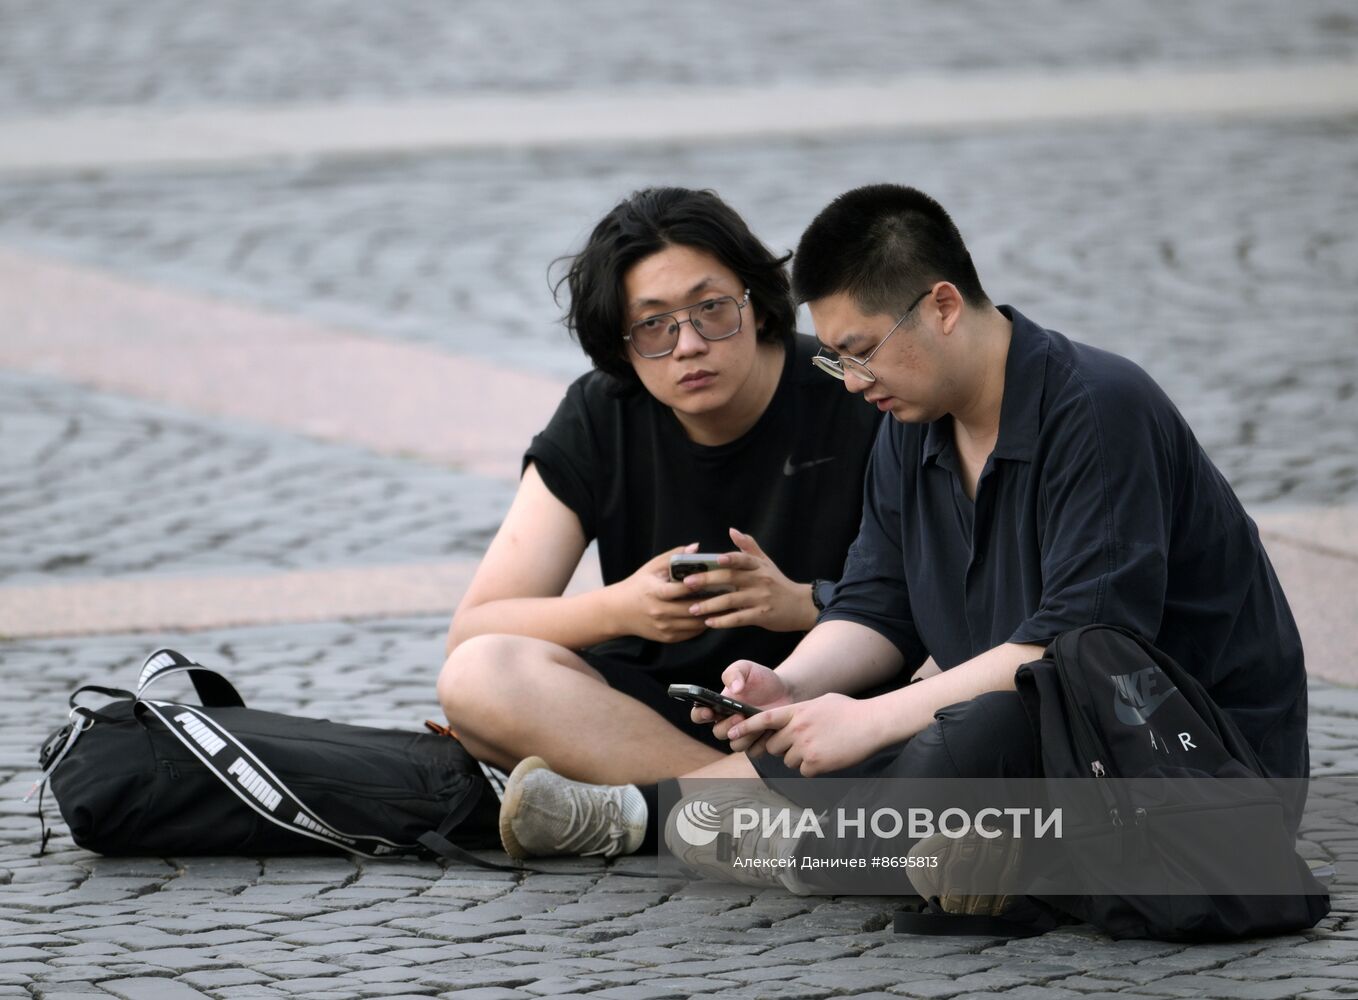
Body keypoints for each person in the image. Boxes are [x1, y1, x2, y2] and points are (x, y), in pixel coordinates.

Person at [511, 183, 1309, 902]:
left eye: (859, 350)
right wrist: (789, 686)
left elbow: (1074, 644)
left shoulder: (1099, 408)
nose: (852, 380)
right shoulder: (911, 423)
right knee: (847, 736)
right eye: (835, 357)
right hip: (1031, 733)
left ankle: (735, 838)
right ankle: (734, 829)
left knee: (946, 742)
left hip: (1186, 764)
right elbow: (878, 603)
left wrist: (874, 719)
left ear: (942, 306)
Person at [437, 187, 880, 859]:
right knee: (478, 675)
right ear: (619, 341)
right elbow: (476, 626)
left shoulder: (852, 394)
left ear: (754, 300)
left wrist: (802, 604)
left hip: (827, 707)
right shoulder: (600, 413)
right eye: (654, 325)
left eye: (711, 310)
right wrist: (622, 608)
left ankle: (664, 812)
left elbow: (937, 610)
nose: (689, 345)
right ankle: (747, 812)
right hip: (647, 719)